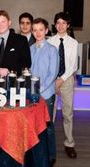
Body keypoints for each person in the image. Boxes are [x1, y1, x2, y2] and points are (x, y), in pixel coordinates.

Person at [48, 12, 78, 159]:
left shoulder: (73, 43)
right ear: (55, 24)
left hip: (67, 80)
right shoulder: (49, 41)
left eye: (63, 23)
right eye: (58, 22)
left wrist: (61, 79)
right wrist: (54, 79)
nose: (60, 25)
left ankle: (69, 144)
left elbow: (73, 65)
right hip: (51, 80)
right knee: (49, 114)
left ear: (68, 25)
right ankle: (49, 144)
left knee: (68, 113)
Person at [30, 18, 59, 166]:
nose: (38, 33)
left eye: (41, 30)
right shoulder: (31, 48)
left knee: (47, 126)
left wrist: (39, 91)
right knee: (35, 126)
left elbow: (52, 73)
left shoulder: (52, 50)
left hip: (46, 95)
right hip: (32, 95)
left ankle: (51, 155)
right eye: (35, 30)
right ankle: (38, 155)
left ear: (46, 31)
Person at [0, 10, 31, 77]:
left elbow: (26, 63)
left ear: (9, 22)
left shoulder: (21, 40)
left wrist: (9, 71)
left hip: (14, 82)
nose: (0, 25)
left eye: (3, 22)